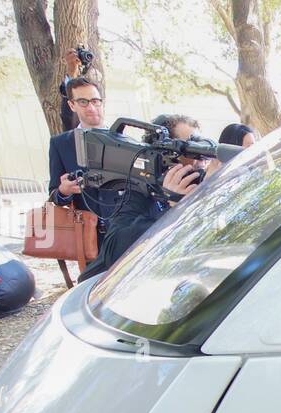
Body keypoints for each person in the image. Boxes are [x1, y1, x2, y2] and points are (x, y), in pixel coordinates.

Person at [78, 114, 214, 282]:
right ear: (166, 158)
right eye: (191, 151)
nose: (201, 161)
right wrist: (174, 207)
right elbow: (116, 249)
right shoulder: (139, 191)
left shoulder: (201, 187)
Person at [47, 77, 122, 228]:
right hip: (89, 237)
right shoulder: (60, 144)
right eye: (83, 102)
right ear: (72, 105)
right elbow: (54, 196)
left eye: (95, 101)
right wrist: (63, 191)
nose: (91, 108)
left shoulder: (123, 140)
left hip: (125, 232)